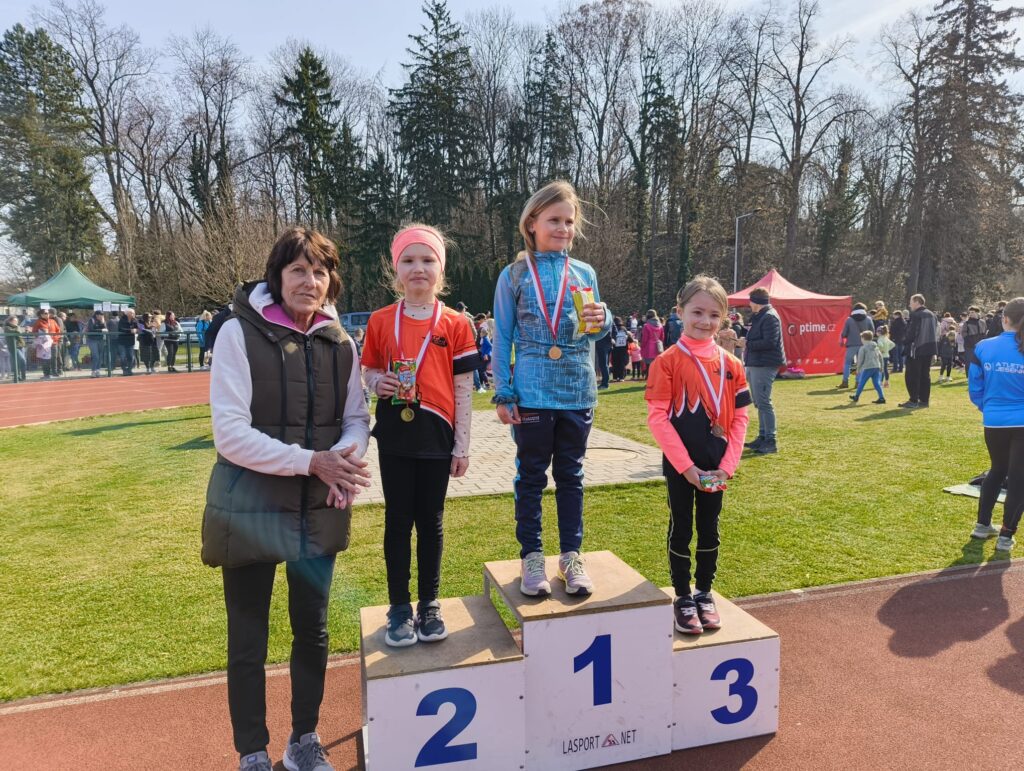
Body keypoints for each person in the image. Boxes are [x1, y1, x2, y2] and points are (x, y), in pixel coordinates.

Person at [204, 227, 371, 771]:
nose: (310, 281)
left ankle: (304, 739)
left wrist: (342, 458)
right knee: (248, 638)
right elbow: (230, 434)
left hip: (316, 509)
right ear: (276, 277)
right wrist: (313, 462)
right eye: (298, 269)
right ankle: (252, 752)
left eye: (320, 272)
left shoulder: (340, 343)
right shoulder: (237, 333)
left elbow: (356, 419)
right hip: (249, 509)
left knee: (313, 631)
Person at [361, 224, 479, 648]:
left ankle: (429, 603)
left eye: (428, 260)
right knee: (397, 520)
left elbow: (464, 390)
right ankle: (398, 606)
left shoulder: (457, 324)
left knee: (431, 522)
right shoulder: (380, 321)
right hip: (395, 433)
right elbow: (369, 370)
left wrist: (462, 446)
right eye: (408, 260)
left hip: (437, 435)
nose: (418, 268)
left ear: (440, 270)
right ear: (396, 270)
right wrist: (377, 382)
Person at [492, 180, 611, 597]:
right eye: (554, 220)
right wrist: (503, 392)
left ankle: (571, 556)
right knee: (530, 476)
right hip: (532, 392)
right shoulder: (514, 275)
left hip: (577, 389)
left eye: (569, 221)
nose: (563, 228)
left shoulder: (584, 273)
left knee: (571, 476)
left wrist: (603, 318)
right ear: (532, 222)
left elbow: (594, 330)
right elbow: (502, 337)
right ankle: (532, 556)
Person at [645, 275, 750, 634]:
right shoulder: (667, 362)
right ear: (680, 311)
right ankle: (682, 595)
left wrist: (727, 467)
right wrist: (687, 468)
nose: (706, 321)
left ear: (724, 318)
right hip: (681, 465)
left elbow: (741, 419)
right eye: (698, 312)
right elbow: (658, 418)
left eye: (714, 315)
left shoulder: (732, 364)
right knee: (681, 527)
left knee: (709, 527)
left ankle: (704, 592)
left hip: (717, 465)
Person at [967, 297, 1024, 553]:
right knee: (1018, 478)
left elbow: (975, 386)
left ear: (1005, 318)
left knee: (997, 469)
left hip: (994, 420)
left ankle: (982, 525)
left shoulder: (984, 347)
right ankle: (1006, 536)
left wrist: (987, 408)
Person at [743, 287, 785, 454]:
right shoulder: (762, 316)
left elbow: (770, 342)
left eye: (750, 301)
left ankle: (770, 440)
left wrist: (747, 344)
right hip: (757, 362)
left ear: (756, 302)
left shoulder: (769, 317)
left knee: (764, 402)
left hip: (764, 363)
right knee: (759, 402)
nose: (749, 304)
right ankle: (762, 436)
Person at [900, 294, 938, 409]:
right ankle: (924, 400)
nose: (910, 305)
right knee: (925, 375)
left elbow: (912, 332)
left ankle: (913, 400)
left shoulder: (916, 315)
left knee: (912, 375)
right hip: (929, 348)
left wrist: (904, 341)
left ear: (917, 302)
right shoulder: (932, 314)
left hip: (916, 349)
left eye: (911, 302)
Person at [837, 303, 874, 388]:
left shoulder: (849, 320)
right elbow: (872, 331)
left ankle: (845, 382)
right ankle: (858, 382)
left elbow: (844, 333)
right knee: (860, 364)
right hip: (864, 344)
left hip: (851, 344)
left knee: (847, 363)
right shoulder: (868, 319)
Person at [849, 330, 886, 404]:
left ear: (863, 338)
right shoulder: (876, 347)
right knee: (877, 383)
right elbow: (880, 357)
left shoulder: (863, 348)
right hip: (876, 367)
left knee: (862, 382)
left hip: (868, 367)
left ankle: (856, 396)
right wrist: (882, 367)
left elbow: (860, 360)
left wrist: (858, 369)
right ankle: (882, 397)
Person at [640, 309, 665, 376]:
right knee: (656, 364)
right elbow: (662, 337)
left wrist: (642, 346)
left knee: (648, 365)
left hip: (648, 347)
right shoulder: (660, 325)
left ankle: (649, 378)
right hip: (658, 347)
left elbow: (645, 339)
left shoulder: (646, 326)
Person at [86, 311, 107, 377]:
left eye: (102, 315)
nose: (102, 316)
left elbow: (105, 328)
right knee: (95, 356)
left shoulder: (102, 320)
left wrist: (103, 322)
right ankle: (93, 371)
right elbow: (91, 329)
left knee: (100, 355)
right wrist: (101, 330)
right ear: (97, 315)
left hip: (100, 339)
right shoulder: (91, 320)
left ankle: (98, 370)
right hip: (92, 340)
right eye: (101, 315)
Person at [4, 315, 26, 382]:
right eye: (14, 321)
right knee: (21, 360)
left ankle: (22, 377)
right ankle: (17, 377)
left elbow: (20, 332)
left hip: (21, 346)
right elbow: (15, 331)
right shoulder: (7, 327)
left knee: (22, 361)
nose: (16, 322)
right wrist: (19, 329)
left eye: (17, 321)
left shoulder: (17, 327)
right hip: (14, 347)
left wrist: (25, 330)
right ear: (10, 321)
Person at [610, 316, 629, 382]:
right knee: (622, 363)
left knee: (615, 362)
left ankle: (615, 377)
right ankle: (621, 377)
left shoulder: (612, 328)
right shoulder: (624, 328)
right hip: (623, 348)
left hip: (615, 348)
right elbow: (628, 338)